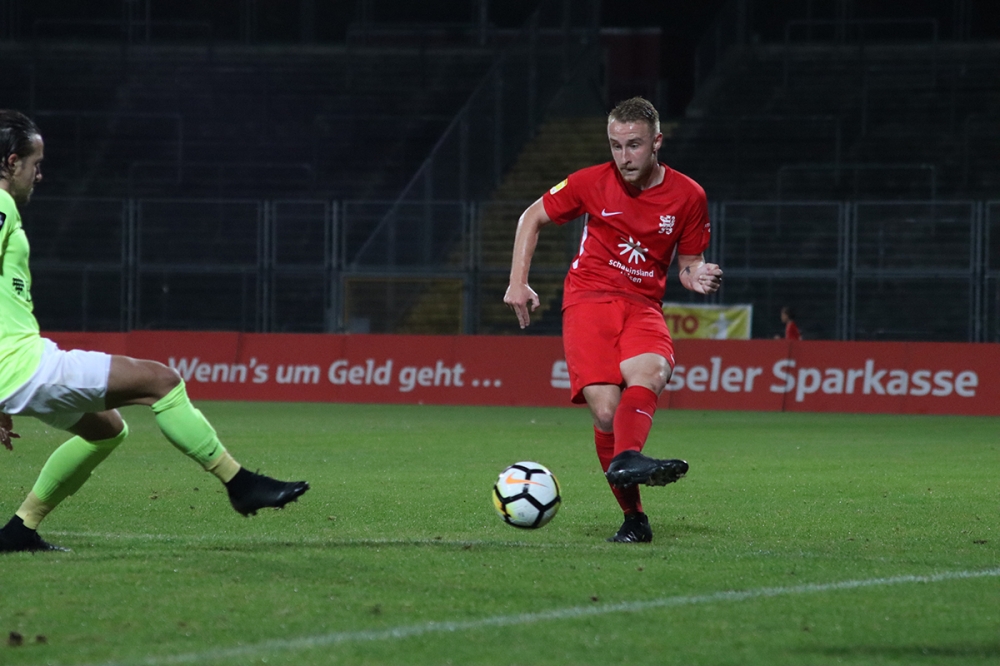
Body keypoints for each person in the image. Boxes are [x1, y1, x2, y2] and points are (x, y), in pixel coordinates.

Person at [0, 110, 309, 553]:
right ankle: (241, 484)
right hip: (22, 365)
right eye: (35, 164)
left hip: (16, 365)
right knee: (161, 382)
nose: (40, 174)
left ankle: (20, 530)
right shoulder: (2, 203)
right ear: (12, 162)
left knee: (107, 429)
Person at [504, 97, 723, 544]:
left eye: (634, 145)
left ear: (657, 142)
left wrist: (696, 275)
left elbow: (688, 263)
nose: (624, 156)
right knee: (606, 412)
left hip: (643, 304)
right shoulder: (591, 182)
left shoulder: (689, 195)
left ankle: (627, 458)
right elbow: (532, 217)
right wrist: (517, 282)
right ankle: (634, 518)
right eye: (616, 145)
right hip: (588, 299)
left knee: (653, 370)